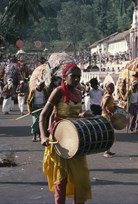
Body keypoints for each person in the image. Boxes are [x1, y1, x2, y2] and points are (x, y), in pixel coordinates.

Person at [39, 63, 92, 204]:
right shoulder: (58, 91)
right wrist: (43, 136)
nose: (76, 79)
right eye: (72, 76)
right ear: (65, 77)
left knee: (81, 178)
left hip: (76, 139)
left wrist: (83, 115)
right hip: (60, 139)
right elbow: (43, 116)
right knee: (61, 180)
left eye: (78, 76)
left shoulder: (79, 92)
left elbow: (74, 114)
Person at [101, 82, 116, 158]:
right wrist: (109, 113)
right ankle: (106, 152)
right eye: (110, 87)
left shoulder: (108, 96)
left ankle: (108, 150)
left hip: (106, 115)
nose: (112, 89)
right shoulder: (108, 97)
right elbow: (103, 107)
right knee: (109, 134)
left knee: (110, 133)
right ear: (107, 88)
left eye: (113, 87)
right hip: (106, 117)